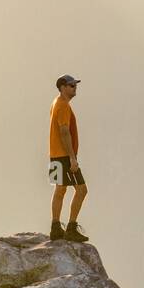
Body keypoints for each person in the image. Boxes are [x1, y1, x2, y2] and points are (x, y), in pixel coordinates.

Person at [48, 74, 89, 242]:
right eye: (71, 85)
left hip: (54, 154)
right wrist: (72, 158)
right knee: (81, 189)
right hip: (65, 156)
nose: (74, 87)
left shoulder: (56, 102)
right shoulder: (63, 105)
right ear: (63, 87)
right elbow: (64, 131)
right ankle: (71, 227)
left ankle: (55, 227)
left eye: (75, 85)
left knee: (60, 189)